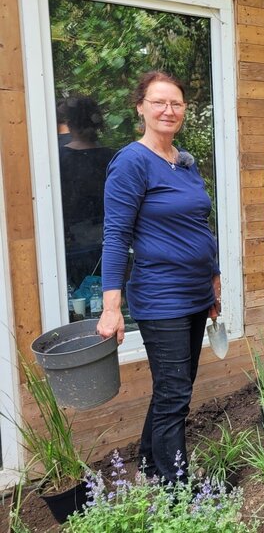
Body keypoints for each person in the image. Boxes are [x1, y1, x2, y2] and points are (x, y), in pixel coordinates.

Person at [96, 71, 221, 484]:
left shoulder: (184, 162)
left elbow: (198, 223)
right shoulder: (131, 162)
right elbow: (116, 235)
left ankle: (151, 464)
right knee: (174, 394)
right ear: (140, 108)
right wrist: (111, 307)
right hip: (161, 296)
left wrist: (214, 277)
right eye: (159, 102)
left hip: (196, 293)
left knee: (174, 387)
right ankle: (176, 491)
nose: (169, 110)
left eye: (176, 103)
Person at [58, 95, 115, 289]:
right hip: (108, 241)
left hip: (74, 244)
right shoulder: (112, 157)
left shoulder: (58, 159)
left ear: (70, 124)